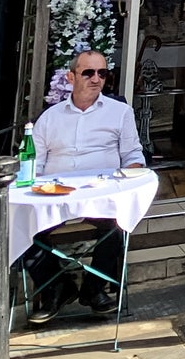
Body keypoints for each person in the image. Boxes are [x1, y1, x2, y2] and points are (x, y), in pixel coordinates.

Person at [24, 49, 145, 322]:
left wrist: (133, 171)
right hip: (55, 193)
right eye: (88, 72)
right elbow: (35, 162)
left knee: (119, 225)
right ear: (71, 77)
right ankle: (56, 286)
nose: (96, 79)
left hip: (99, 193)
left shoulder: (120, 112)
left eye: (102, 73)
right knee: (20, 229)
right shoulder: (50, 117)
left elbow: (133, 155)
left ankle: (93, 288)